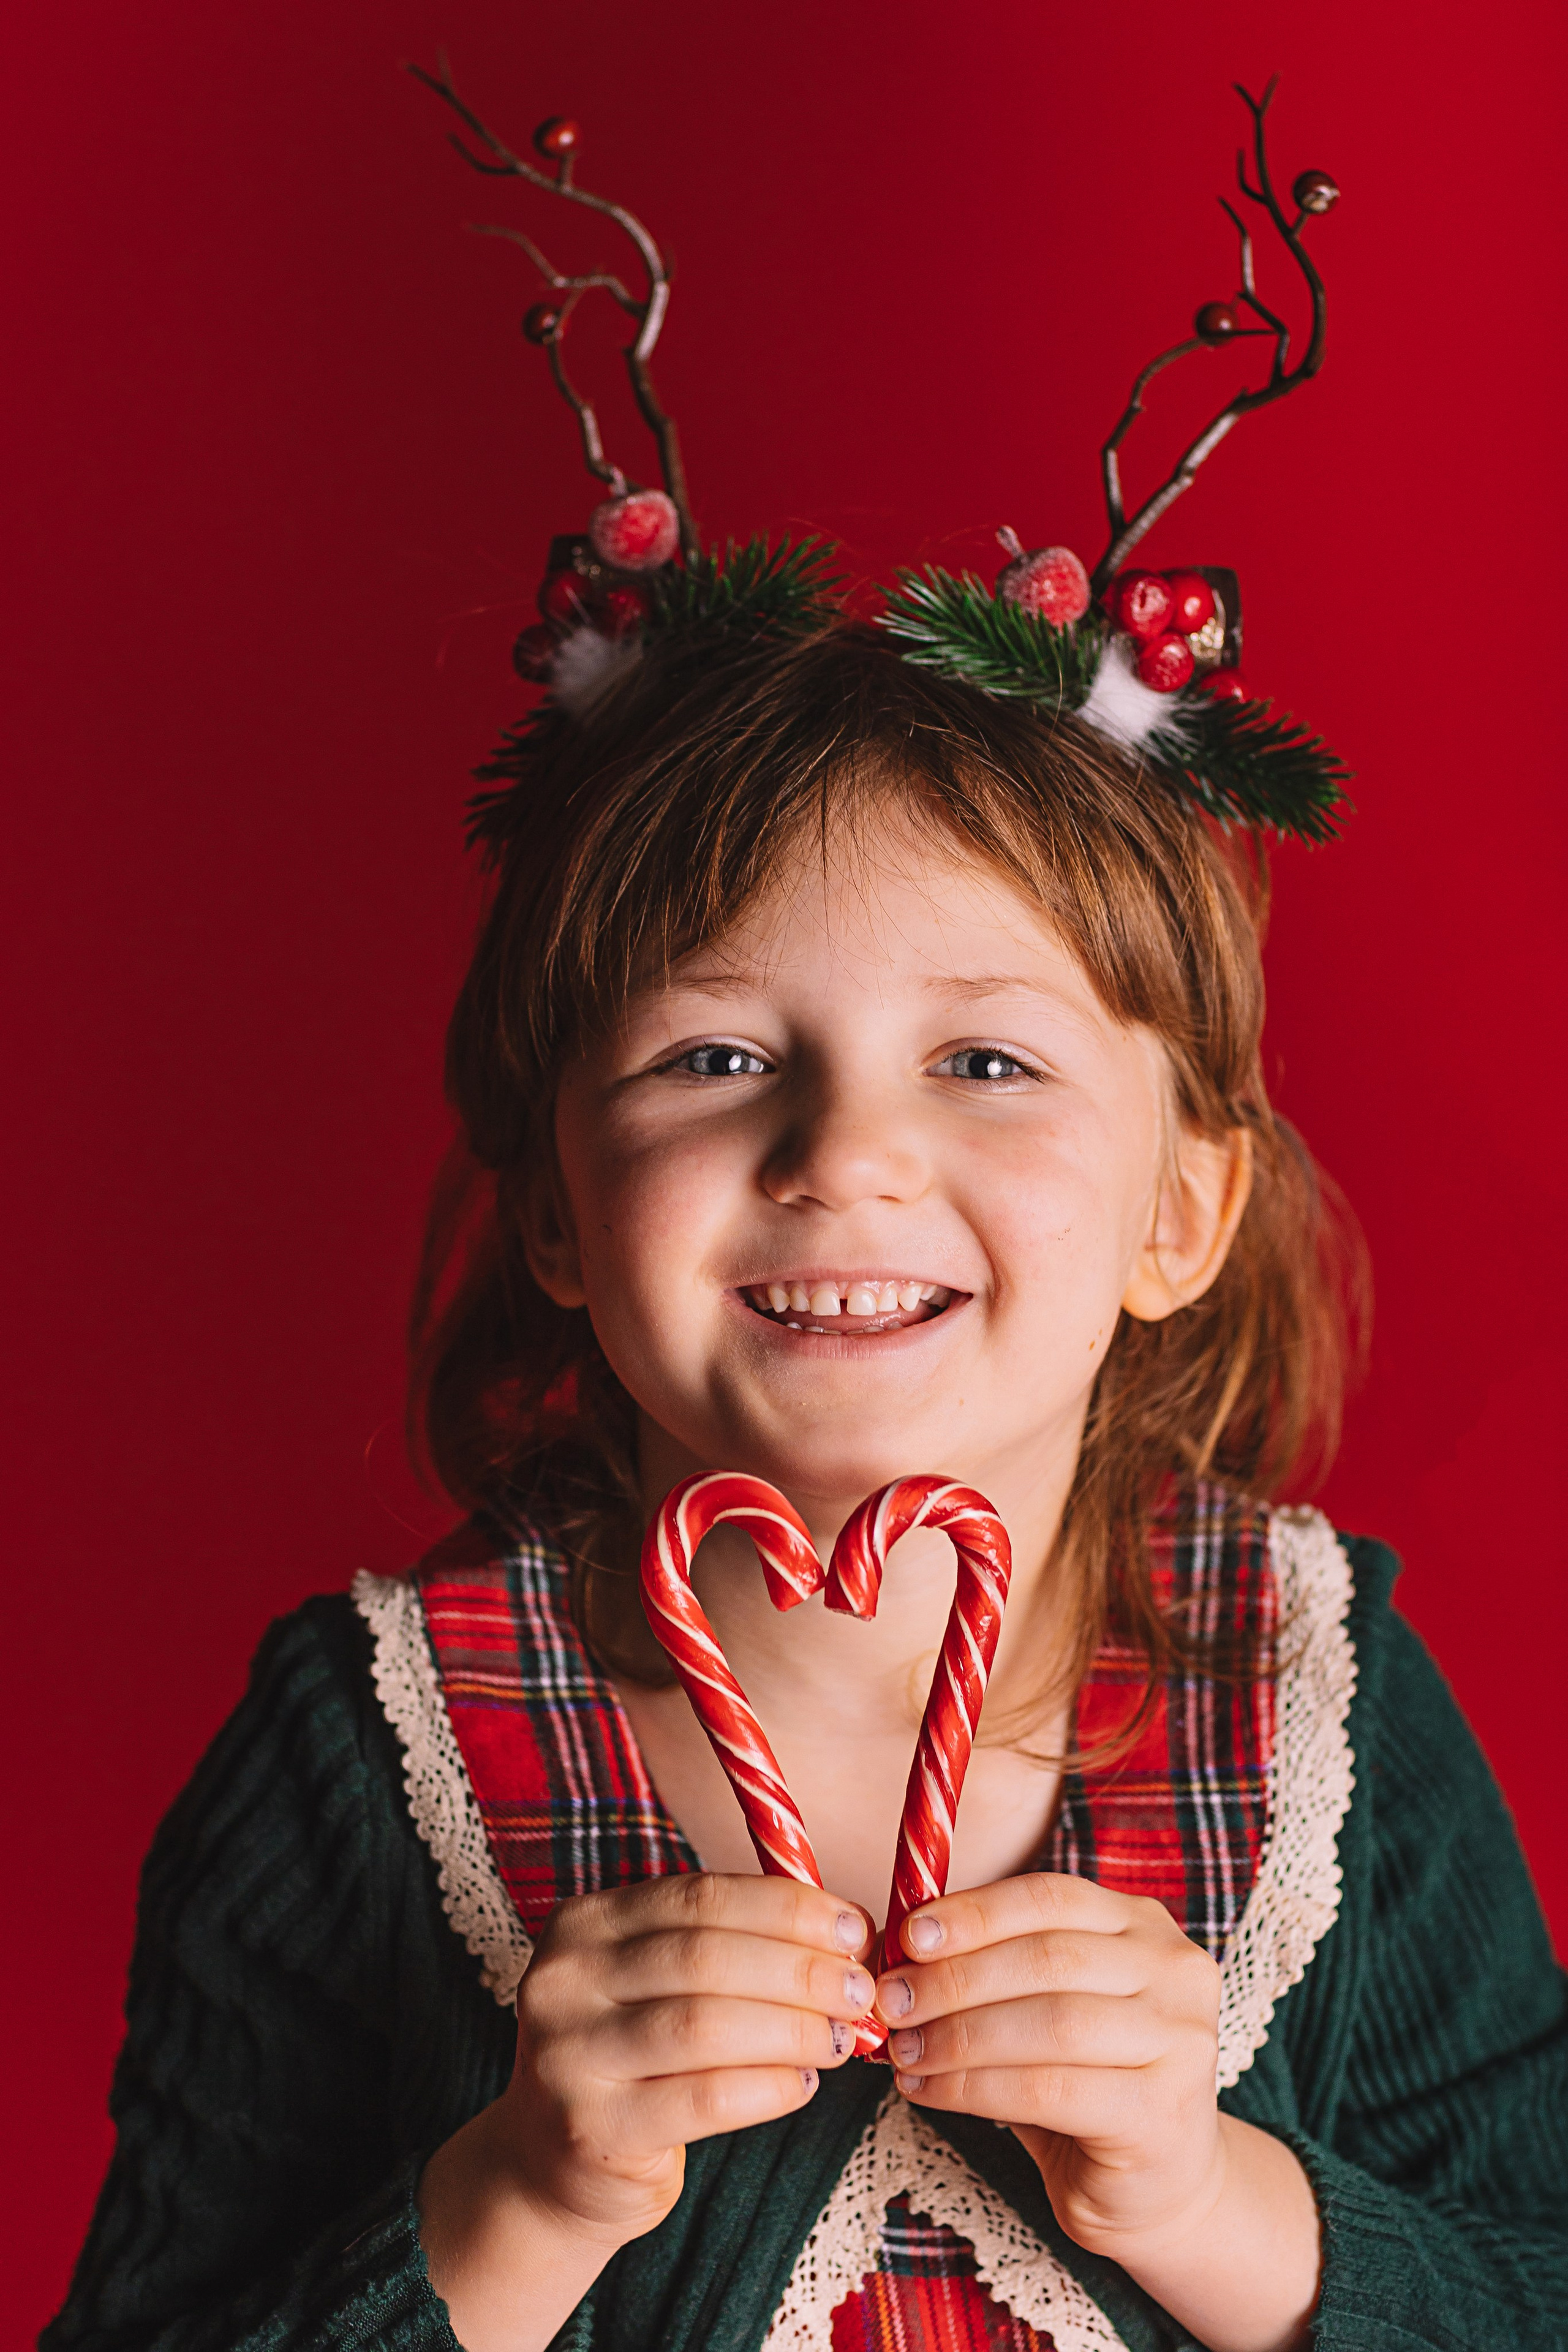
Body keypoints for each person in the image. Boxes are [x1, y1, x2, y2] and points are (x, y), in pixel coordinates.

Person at [45, 72, 1567, 2352]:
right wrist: (511, 2207)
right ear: (559, 1204)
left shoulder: (1320, 1714)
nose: (845, 1158)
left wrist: (1224, 2202)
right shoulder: (366, 1759)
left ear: (1182, 1209)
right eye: (713, 1056)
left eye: (986, 1061)